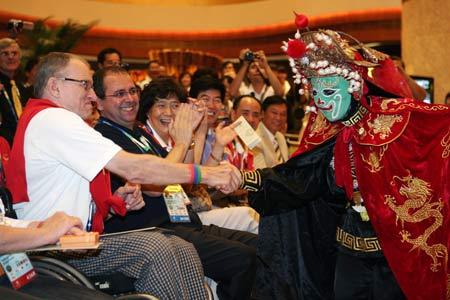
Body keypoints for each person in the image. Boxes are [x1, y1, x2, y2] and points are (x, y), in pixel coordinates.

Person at [235, 14, 450, 300]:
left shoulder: (396, 118)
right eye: (315, 93)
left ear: (353, 86)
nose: (321, 101)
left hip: (396, 248)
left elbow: (438, 126)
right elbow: (301, 175)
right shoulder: (324, 128)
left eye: (329, 91)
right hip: (348, 242)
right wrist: (246, 178)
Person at [5, 52, 240, 299]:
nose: (92, 95)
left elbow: (68, 195)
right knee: (158, 248)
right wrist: (205, 174)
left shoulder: (54, 120)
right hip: (51, 247)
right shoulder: (53, 118)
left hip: (72, 241)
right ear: (54, 86)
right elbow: (134, 169)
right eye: (85, 84)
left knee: (181, 247)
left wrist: (115, 199)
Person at [93, 70, 258, 299]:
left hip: (182, 221)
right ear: (99, 102)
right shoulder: (104, 136)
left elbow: (182, 175)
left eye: (132, 91)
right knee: (244, 258)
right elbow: (151, 187)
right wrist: (181, 142)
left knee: (261, 246)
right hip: (155, 231)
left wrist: (191, 134)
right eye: (119, 94)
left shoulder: (138, 132)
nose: (129, 98)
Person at [0, 38, 30, 145]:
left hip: (21, 144)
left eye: (14, 53)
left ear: (20, 59)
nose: (10, 57)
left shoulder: (22, 88)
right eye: (5, 53)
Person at [253, 95, 289, 168]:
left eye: (283, 114)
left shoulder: (280, 136)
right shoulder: (254, 137)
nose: (278, 118)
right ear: (262, 114)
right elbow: (260, 172)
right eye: (274, 113)